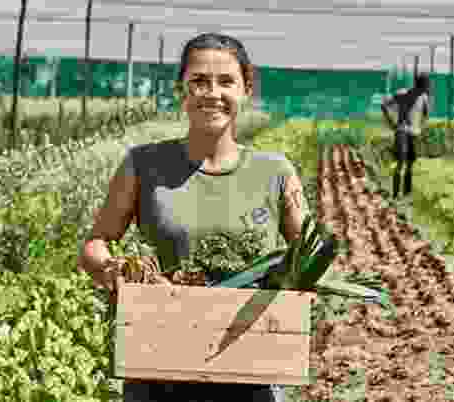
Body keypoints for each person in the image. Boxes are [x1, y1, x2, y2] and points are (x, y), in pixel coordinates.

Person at [77, 32, 309, 402]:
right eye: (199, 81)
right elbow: (96, 242)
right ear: (180, 89)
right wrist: (112, 270)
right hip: (158, 363)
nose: (212, 93)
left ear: (247, 88)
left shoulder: (276, 173)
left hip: (249, 369)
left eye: (226, 81)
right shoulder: (143, 165)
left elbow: (310, 255)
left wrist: (296, 282)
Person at [381, 73, 430, 199]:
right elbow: (384, 105)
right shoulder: (403, 93)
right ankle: (395, 194)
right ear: (419, 84)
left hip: (414, 133)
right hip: (402, 131)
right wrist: (391, 123)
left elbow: (426, 114)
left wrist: (421, 129)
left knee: (410, 163)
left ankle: (407, 194)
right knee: (401, 163)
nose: (427, 87)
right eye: (425, 85)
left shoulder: (424, 97)